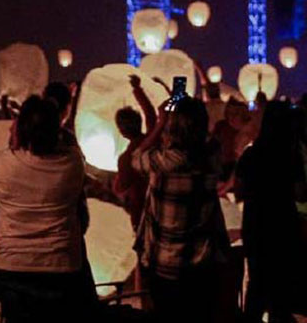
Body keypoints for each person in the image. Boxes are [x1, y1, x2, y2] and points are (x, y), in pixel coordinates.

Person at [0, 96, 92, 322]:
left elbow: (14, 155)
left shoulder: (0, 163)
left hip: (11, 264)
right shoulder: (73, 164)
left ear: (20, 127)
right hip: (59, 265)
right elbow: (72, 146)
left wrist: (17, 137)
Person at [132, 96, 230, 323]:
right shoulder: (212, 154)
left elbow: (136, 158)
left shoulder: (164, 162)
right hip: (202, 262)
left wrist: (159, 122)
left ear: (172, 127)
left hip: (165, 263)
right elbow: (206, 140)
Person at [235, 101, 307, 322]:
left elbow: (240, 188)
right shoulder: (290, 156)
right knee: (281, 287)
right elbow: (300, 194)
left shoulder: (251, 154)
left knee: (256, 284)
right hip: (283, 224)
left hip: (255, 225)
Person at [113, 75, 157, 231]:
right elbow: (151, 114)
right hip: (161, 206)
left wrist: (116, 183)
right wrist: (137, 89)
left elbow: (121, 187)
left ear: (122, 131)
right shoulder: (153, 140)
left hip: (141, 214)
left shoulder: (126, 159)